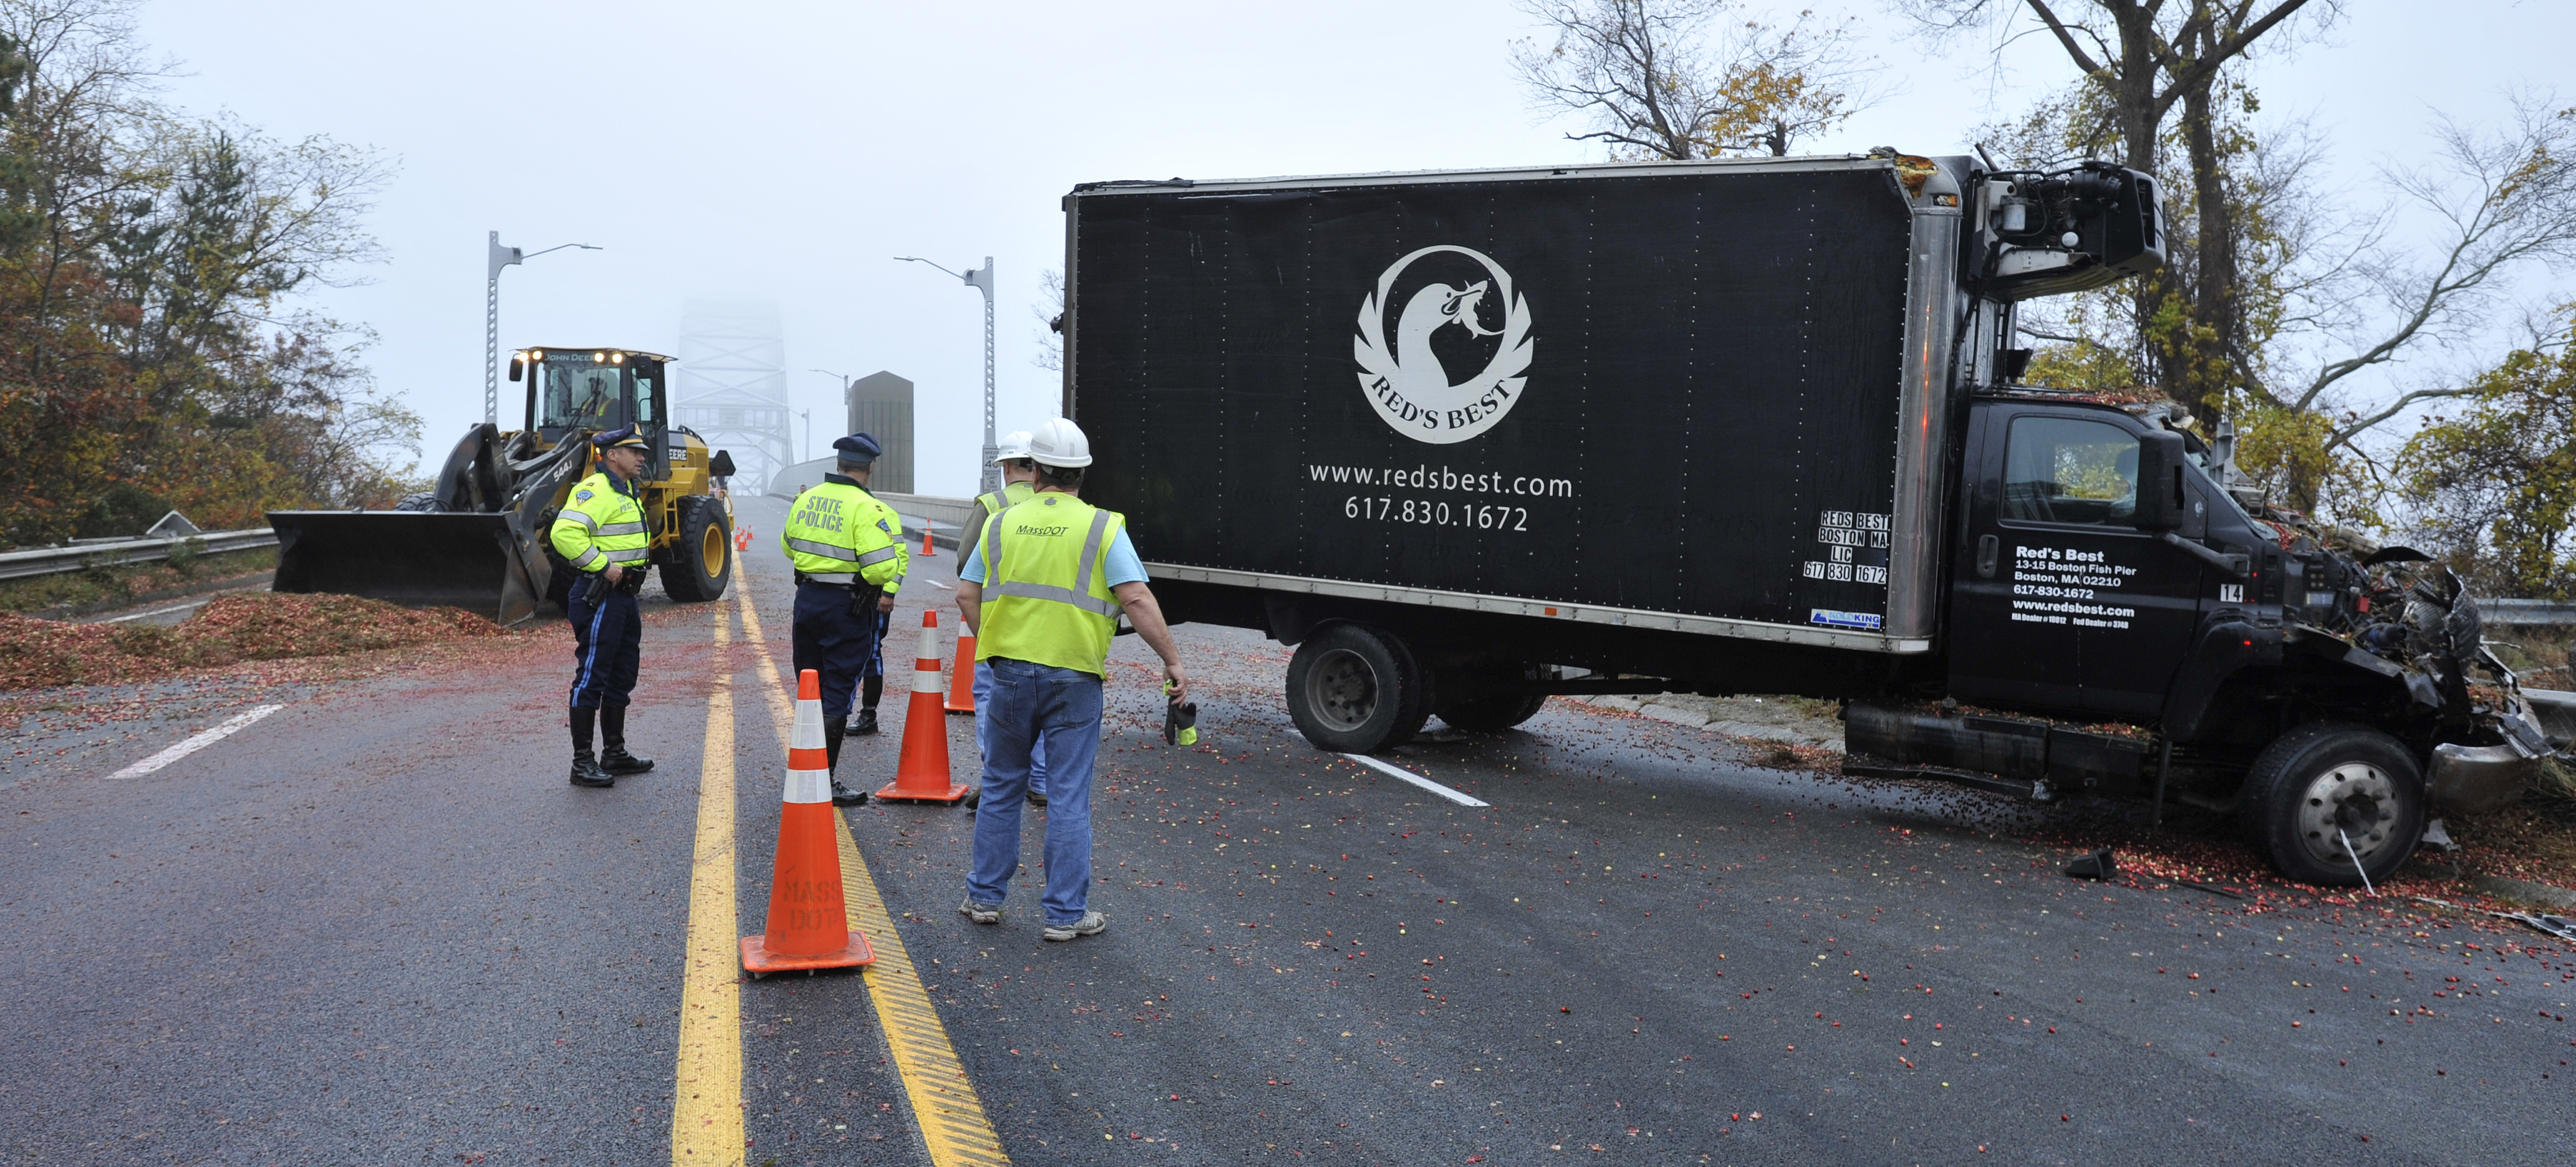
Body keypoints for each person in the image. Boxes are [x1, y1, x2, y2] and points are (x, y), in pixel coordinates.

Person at [954, 417, 1187, 941]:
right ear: (1082, 473)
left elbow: (966, 595)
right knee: (1065, 795)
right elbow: (1136, 598)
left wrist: (993, 643)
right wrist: (1171, 660)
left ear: (1034, 471)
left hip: (1009, 675)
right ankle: (1064, 915)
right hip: (1075, 677)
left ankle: (985, 899)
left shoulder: (1000, 523)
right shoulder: (1103, 527)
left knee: (1000, 787)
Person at [781, 433, 907, 806]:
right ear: (870, 467)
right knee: (837, 691)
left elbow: (789, 546)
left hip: (807, 600)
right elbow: (884, 565)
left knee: (809, 684)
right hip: (847, 608)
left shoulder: (807, 498)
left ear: (839, 464)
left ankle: (803, 770)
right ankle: (824, 779)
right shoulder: (869, 509)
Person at [550, 426, 658, 789]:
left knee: (622, 674)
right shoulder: (595, 490)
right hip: (601, 596)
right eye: (635, 451)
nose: (642, 457)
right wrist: (603, 565)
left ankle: (614, 752)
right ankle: (582, 762)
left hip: (624, 598)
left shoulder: (626, 491)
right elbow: (563, 534)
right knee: (593, 676)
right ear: (612, 455)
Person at [955, 431, 1050, 803]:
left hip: (999, 621)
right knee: (1044, 703)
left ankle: (997, 778)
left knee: (992, 698)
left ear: (1007, 467)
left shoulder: (993, 504)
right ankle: (1040, 783)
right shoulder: (1060, 504)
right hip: (1049, 624)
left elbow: (966, 563)